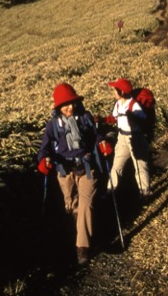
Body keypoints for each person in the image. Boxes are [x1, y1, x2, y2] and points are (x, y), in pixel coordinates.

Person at [37, 82, 112, 265]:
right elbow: (44, 149)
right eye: (66, 104)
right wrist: (43, 161)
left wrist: (102, 143)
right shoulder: (53, 125)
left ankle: (82, 249)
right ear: (59, 107)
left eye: (73, 103)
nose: (70, 107)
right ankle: (77, 234)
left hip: (86, 168)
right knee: (72, 207)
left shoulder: (85, 118)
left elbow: (96, 136)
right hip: (65, 171)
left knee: (86, 205)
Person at [103, 78, 152, 198]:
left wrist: (132, 117)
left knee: (140, 165)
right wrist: (103, 120)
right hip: (122, 137)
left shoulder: (134, 105)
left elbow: (143, 121)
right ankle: (111, 190)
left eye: (115, 90)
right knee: (116, 165)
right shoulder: (118, 104)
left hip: (135, 138)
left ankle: (145, 191)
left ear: (122, 92)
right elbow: (114, 118)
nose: (113, 93)